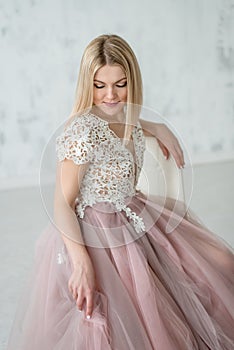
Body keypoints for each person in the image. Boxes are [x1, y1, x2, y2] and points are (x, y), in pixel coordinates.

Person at [7, 34, 234, 350]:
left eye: (120, 83)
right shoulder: (82, 132)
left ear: (133, 81)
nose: (110, 94)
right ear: (88, 84)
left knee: (221, 261)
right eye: (100, 85)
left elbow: (124, 116)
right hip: (97, 229)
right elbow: (62, 202)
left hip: (135, 212)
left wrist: (156, 126)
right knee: (137, 308)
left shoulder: (127, 118)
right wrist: (81, 260)